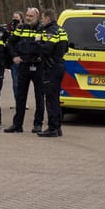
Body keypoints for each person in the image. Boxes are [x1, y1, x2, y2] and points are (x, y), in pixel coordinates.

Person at [4, 7, 47, 134]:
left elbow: (48, 46)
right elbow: (10, 43)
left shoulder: (42, 30)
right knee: (20, 96)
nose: (28, 18)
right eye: (27, 15)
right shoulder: (21, 29)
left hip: (38, 66)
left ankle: (38, 124)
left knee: (39, 96)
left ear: (37, 17)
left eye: (31, 16)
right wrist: (14, 56)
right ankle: (17, 124)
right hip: (24, 65)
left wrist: (42, 56)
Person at [36, 8, 70, 138]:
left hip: (51, 67)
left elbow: (47, 49)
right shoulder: (62, 30)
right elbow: (65, 48)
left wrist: (38, 42)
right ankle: (58, 127)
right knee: (55, 98)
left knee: (50, 99)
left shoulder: (51, 32)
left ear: (48, 18)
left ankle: (52, 128)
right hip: (59, 64)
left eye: (43, 18)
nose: (42, 21)